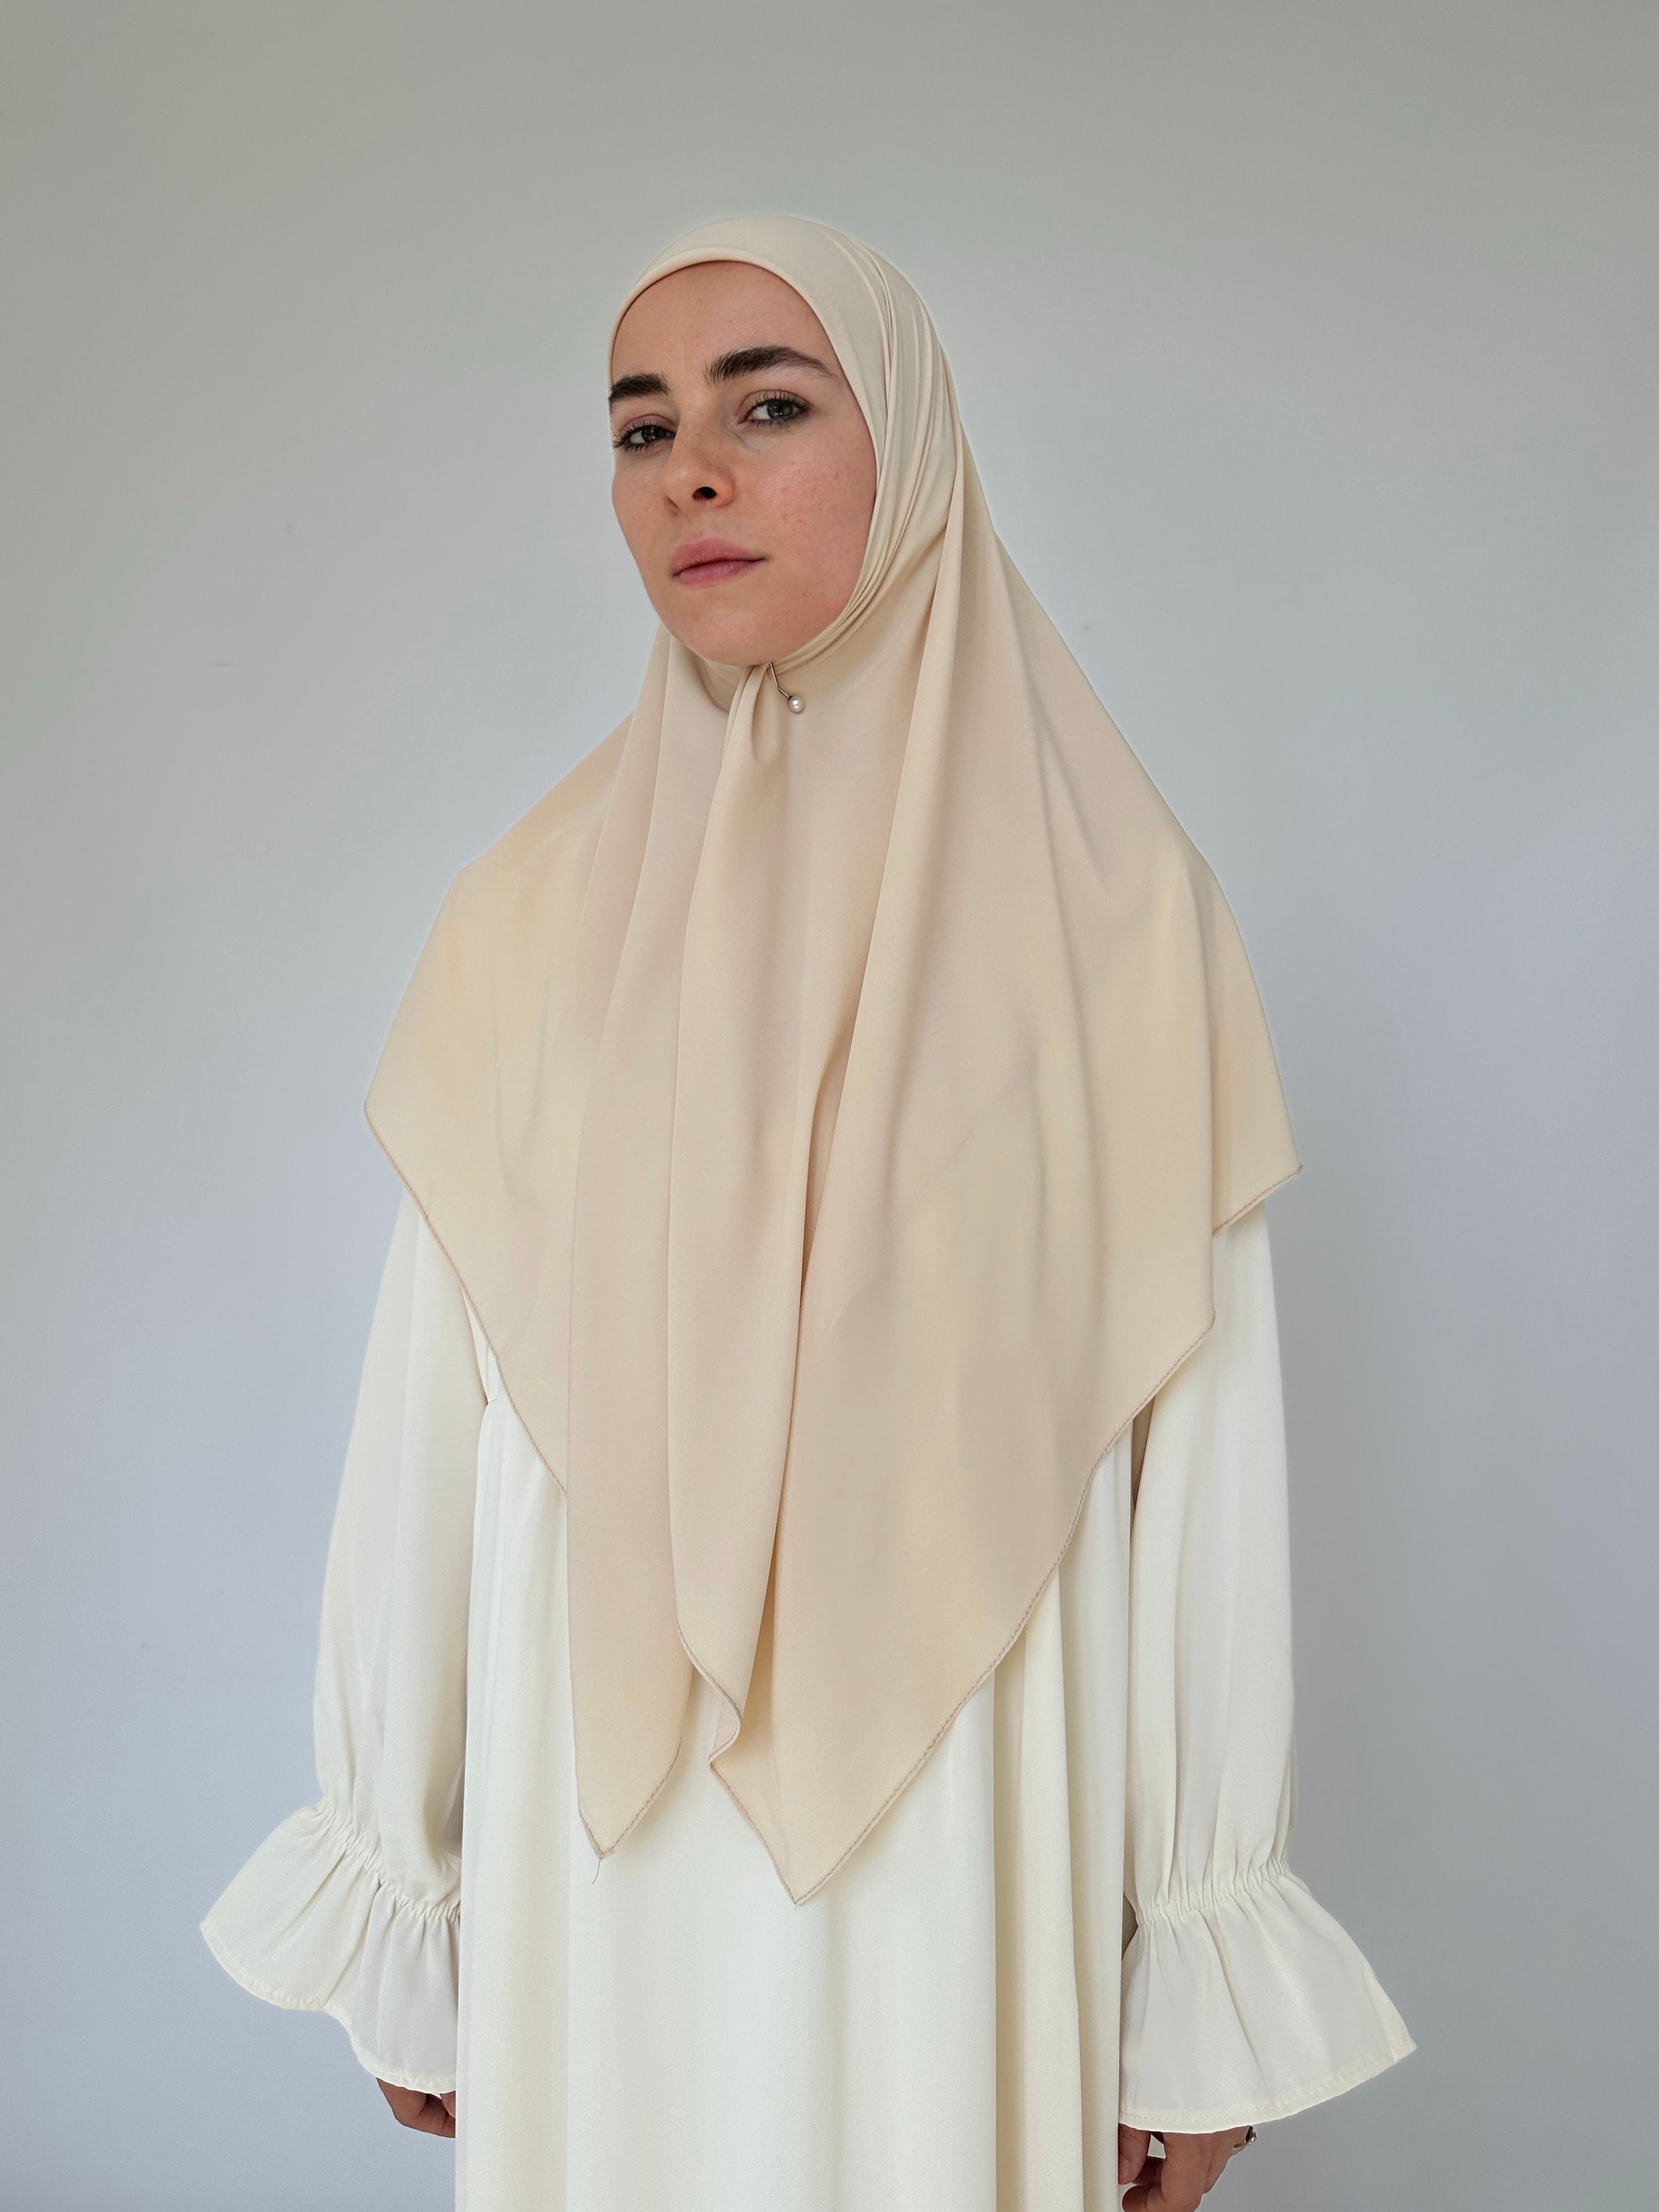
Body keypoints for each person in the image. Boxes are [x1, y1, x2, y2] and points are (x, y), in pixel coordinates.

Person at [202, 216, 1413, 2212]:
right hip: (599, 1883)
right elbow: (434, 1433)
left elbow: (1198, 1463)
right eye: (642, 427)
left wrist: (1193, 1967)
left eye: (766, 407)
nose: (692, 471)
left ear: (909, 443)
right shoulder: (529, 925)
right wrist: (404, 1880)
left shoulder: (1117, 926)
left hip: (960, 1869)